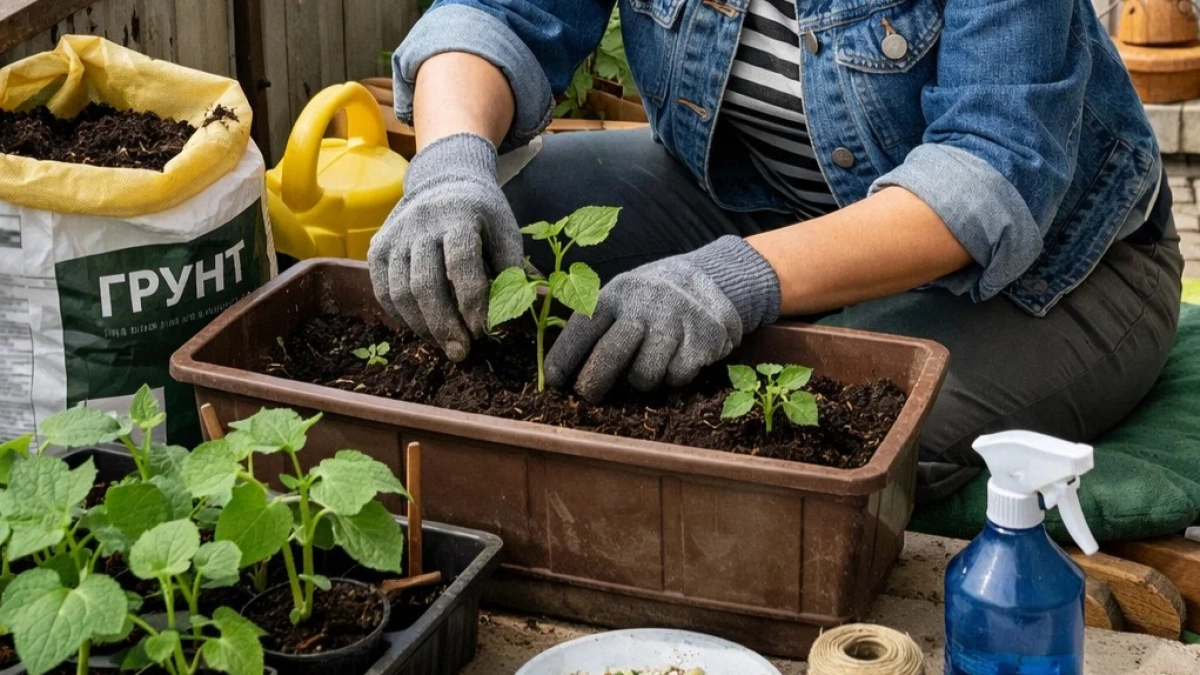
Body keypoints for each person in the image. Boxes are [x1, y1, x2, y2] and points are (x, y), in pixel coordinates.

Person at [367, 0, 1184, 502]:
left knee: (850, 432)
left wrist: (735, 278)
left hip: (1058, 270)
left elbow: (992, 168)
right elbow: (499, 13)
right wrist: (449, 165)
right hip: (755, 195)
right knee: (486, 232)